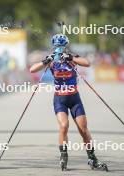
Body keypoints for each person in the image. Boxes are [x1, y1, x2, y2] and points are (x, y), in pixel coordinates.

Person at [29, 34, 108, 171]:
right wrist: (45, 61)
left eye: (62, 46)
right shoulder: (51, 59)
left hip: (74, 99)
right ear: (54, 47)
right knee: (64, 126)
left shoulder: (71, 57)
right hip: (60, 99)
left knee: (83, 129)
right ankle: (63, 156)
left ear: (66, 46)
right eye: (57, 47)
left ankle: (92, 158)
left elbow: (87, 63)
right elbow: (32, 69)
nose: (60, 49)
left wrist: (71, 58)